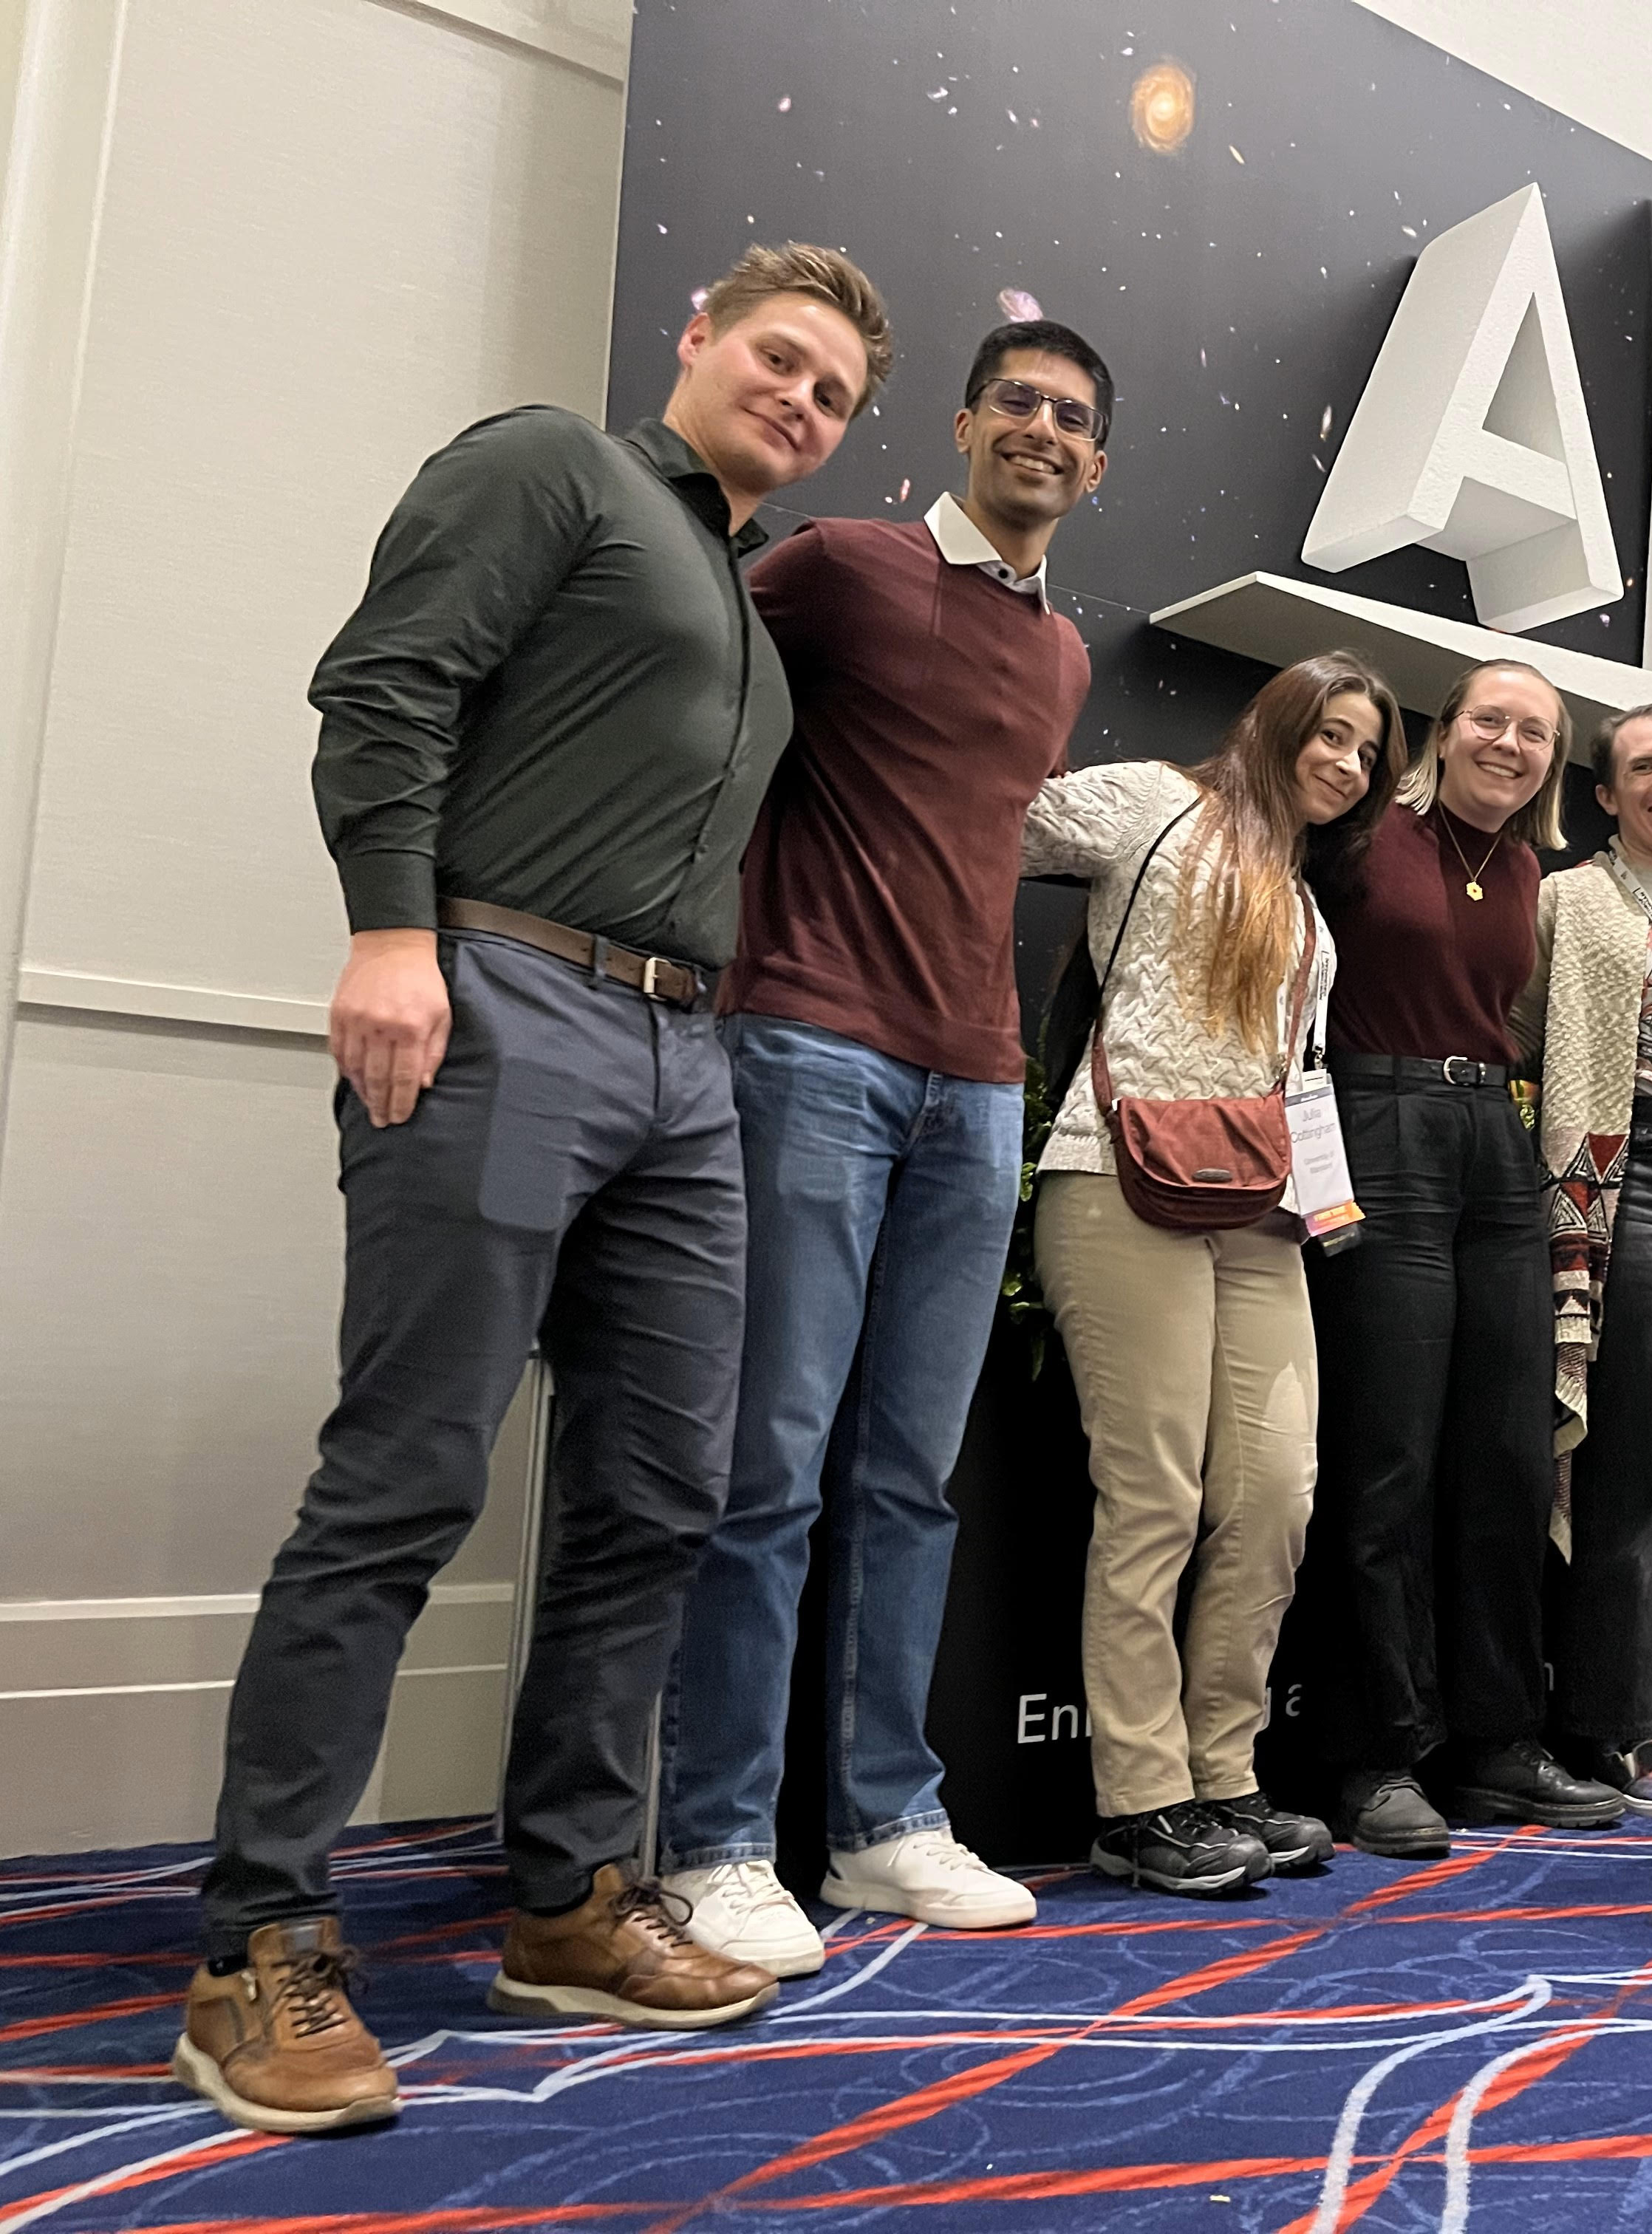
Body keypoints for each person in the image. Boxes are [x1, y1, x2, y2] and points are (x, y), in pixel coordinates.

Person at [181, 245, 886, 2135]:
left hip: (685, 1060)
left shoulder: (746, 609)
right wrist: (390, 934)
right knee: (407, 1477)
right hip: (502, 995)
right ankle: (257, 1944)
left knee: (658, 1495)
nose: (802, 400)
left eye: (835, 394)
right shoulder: (552, 465)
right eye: (781, 357)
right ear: (700, 336)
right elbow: (385, 684)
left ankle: (569, 1900)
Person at [653, 320, 1112, 1972]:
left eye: (1072, 417)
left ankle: (879, 1822)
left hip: (976, 1084)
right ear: (967, 424)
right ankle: (714, 1839)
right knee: (769, 1462)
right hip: (806, 1045)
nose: (1042, 430)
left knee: (910, 1476)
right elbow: (683, 664)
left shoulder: (1064, 656)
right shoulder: (843, 566)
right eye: (1018, 403)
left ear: (1096, 463)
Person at [1027, 656, 1402, 1892]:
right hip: (1118, 1171)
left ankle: (1222, 1770)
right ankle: (1142, 1801)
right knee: (1153, 1497)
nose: (1346, 762)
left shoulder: (1300, 892)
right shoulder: (1155, 801)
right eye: (1331, 733)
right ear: (1276, 724)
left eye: (1367, 749)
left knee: (1276, 1492)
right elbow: (1005, 818)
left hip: (1263, 1207)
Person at [1300, 659, 1625, 1855]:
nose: (1511, 743)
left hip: (1496, 1132)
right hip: (1375, 1121)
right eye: (1492, 719)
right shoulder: (1358, 834)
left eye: (1536, 732)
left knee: (1506, 1450)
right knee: (1387, 1449)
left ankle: (1498, 1739)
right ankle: (1375, 1753)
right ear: (1443, 731)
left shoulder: (1527, 869)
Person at [1513, 705, 1652, 1822]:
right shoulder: (1570, 899)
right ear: (1606, 795)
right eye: (1643, 767)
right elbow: (1518, 1028)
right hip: (1632, 1173)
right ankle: (1617, 1726)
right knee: (1639, 1462)